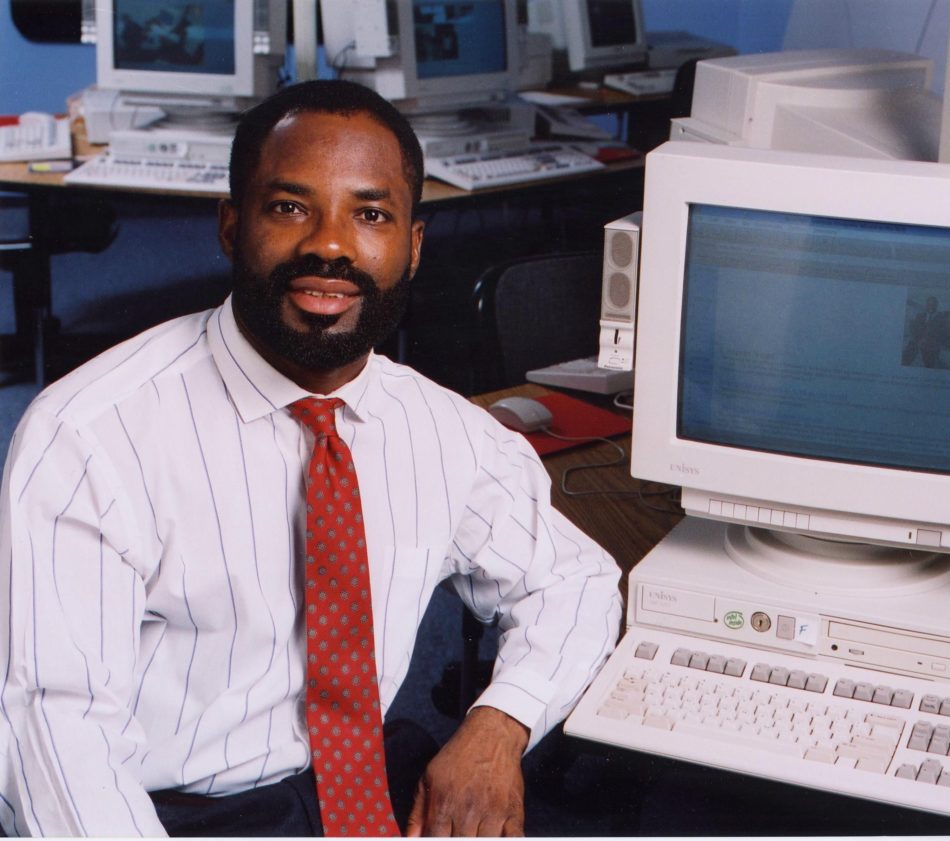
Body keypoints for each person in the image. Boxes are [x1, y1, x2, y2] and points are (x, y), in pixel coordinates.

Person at [0, 80, 622, 837]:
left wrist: (500, 723)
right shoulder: (90, 436)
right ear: (232, 225)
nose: (330, 244)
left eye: (370, 214)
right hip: (174, 813)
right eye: (290, 207)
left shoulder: (443, 429)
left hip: (365, 781)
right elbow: (55, 736)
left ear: (413, 247)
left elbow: (575, 580)